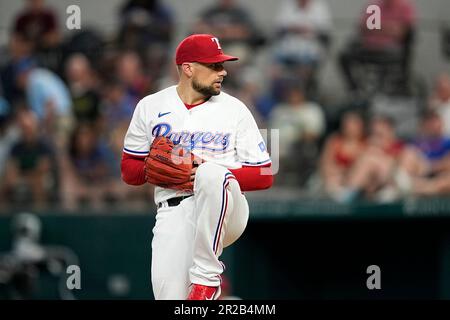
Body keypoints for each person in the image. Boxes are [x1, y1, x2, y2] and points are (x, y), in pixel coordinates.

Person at [121, 34, 273, 300]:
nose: (223, 72)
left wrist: (206, 171)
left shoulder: (235, 109)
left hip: (227, 207)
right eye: (214, 66)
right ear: (188, 68)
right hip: (173, 210)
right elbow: (128, 170)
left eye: (222, 65)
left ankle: (206, 280)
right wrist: (156, 168)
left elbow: (263, 175)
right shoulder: (150, 106)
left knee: (210, 172)